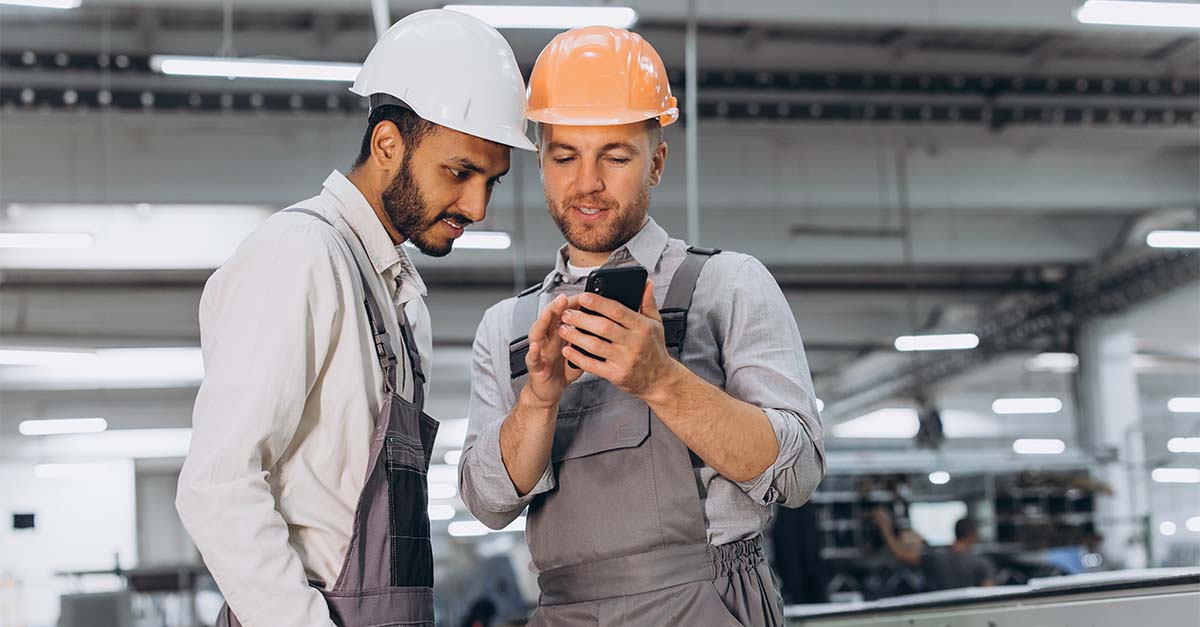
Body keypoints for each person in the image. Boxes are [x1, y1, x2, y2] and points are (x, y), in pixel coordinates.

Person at [175, 10, 534, 627]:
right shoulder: (300, 256)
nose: (476, 205)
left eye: (492, 182)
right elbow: (218, 486)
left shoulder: (395, 300)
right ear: (388, 144)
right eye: (460, 172)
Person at [458, 26, 826, 626]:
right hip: (564, 611)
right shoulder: (508, 327)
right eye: (564, 156)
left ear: (656, 161)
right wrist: (539, 401)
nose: (587, 184)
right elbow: (488, 503)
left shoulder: (728, 286)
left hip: (703, 602)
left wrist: (660, 380)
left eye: (616, 156)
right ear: (542, 163)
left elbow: (798, 473)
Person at [872, 507, 996, 591]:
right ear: (972, 536)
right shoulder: (982, 563)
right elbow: (988, 597)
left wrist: (885, 527)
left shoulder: (936, 558)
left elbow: (899, 554)